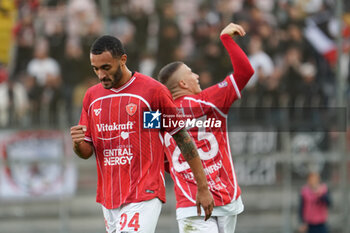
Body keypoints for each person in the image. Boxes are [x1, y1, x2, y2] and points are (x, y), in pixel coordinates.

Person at [70, 35, 214, 233]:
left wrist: (203, 187)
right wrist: (78, 144)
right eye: (96, 69)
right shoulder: (92, 97)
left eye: (106, 67)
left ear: (123, 60)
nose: (101, 75)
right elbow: (87, 152)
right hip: (109, 197)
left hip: (144, 191)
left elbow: (181, 137)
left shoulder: (151, 92)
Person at [158, 23, 254, 233]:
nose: (197, 76)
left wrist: (178, 172)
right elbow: (246, 71)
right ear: (183, 84)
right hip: (225, 196)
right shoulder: (209, 101)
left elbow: (161, 158)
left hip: (191, 202)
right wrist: (226, 39)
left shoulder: (157, 118)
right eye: (191, 73)